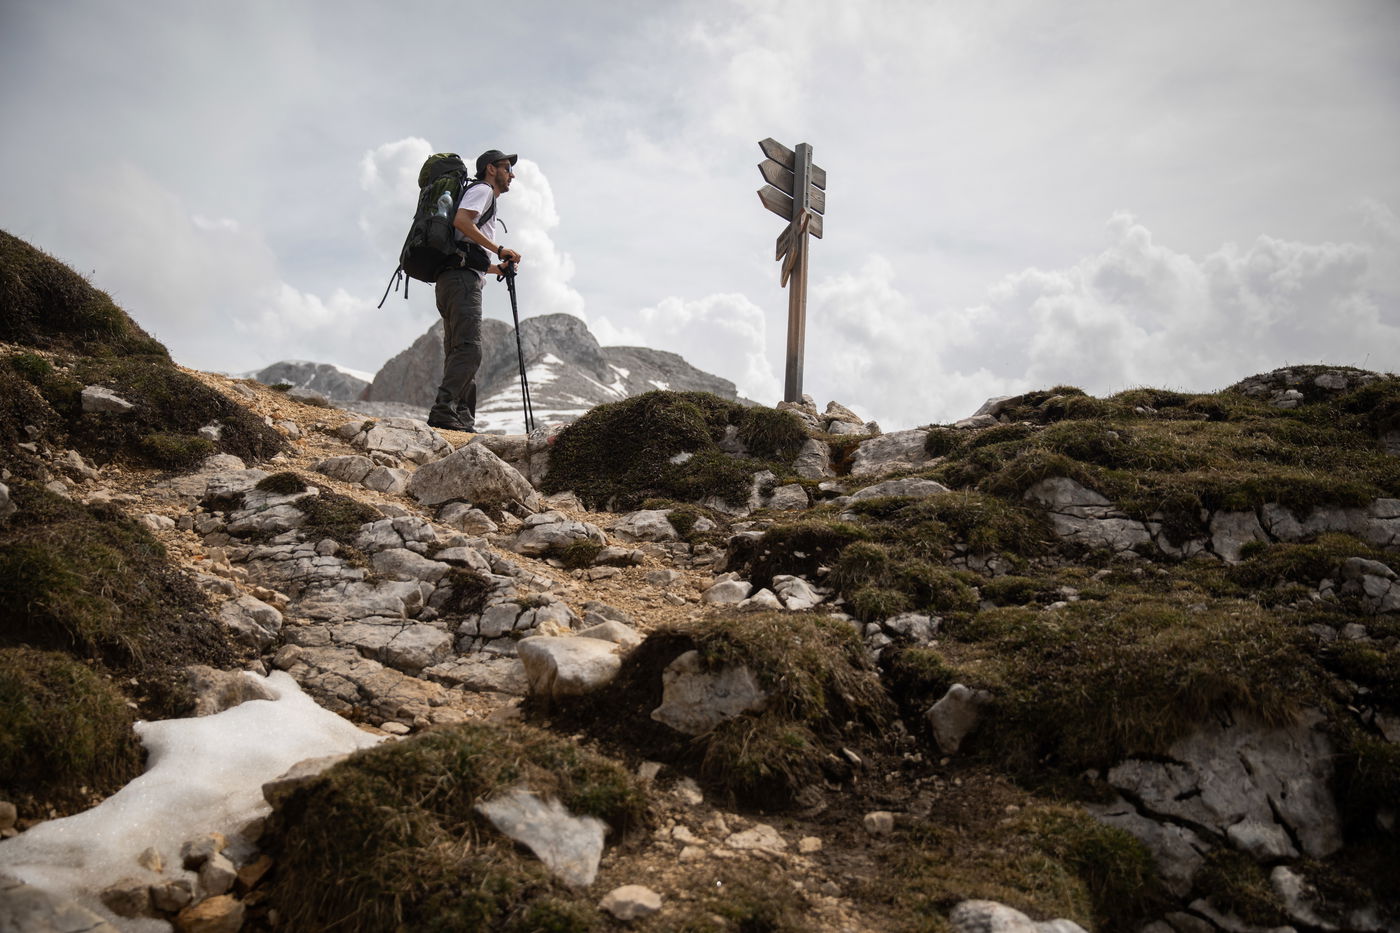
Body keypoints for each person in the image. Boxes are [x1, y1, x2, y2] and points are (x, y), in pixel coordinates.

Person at [427, 149, 524, 431]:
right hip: (462, 282)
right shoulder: (483, 190)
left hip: (453, 278)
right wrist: (500, 249)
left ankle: (461, 419)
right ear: (491, 169)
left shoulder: (479, 193)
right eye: (507, 168)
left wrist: (496, 268)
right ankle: (443, 410)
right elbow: (461, 222)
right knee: (469, 350)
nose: (512, 174)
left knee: (460, 350)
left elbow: (466, 247)